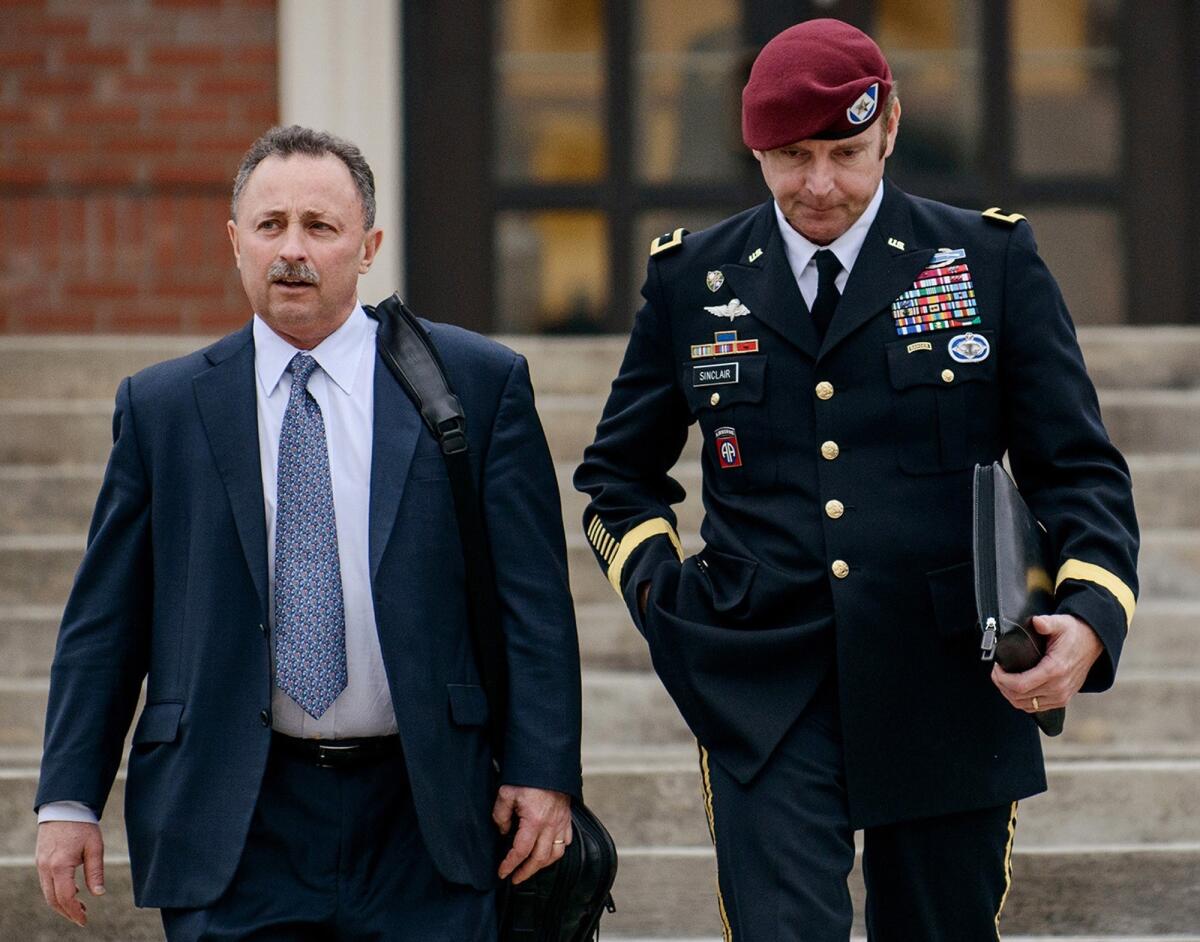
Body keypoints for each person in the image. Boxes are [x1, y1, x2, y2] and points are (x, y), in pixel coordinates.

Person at [574, 19, 1138, 941]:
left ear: (892, 127)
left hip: (951, 678)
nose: (821, 184)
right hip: (764, 680)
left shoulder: (987, 261)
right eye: (792, 157)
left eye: (844, 151)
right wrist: (665, 600)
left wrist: (1089, 611)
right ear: (753, 148)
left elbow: (1077, 469)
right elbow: (617, 475)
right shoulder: (694, 278)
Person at [34, 125, 582, 941]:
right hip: (235, 814)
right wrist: (70, 797)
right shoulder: (163, 409)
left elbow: (531, 599)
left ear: (368, 246)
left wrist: (543, 770)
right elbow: (106, 622)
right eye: (270, 225)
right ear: (235, 242)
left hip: (425, 810)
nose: (293, 249)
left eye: (320, 227)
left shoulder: (474, 382)